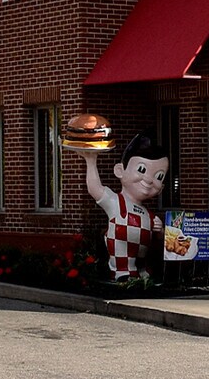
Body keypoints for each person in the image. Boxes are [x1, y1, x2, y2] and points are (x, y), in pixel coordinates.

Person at [68, 116, 168, 282]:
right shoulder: (116, 203)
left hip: (142, 264)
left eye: (159, 176)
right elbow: (95, 189)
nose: (150, 180)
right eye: (142, 169)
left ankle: (141, 274)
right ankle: (123, 273)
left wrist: (160, 230)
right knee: (125, 267)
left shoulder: (148, 214)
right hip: (123, 263)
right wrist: (91, 162)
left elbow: (160, 240)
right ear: (120, 171)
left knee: (143, 270)